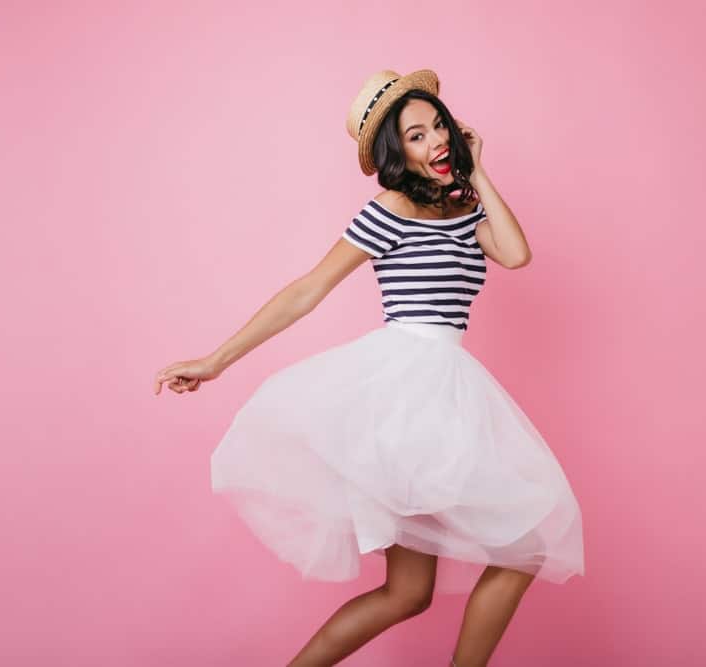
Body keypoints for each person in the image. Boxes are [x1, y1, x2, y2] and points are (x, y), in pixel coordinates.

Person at [154, 69, 585, 667]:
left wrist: (479, 170)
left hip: (448, 390)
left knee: (418, 590)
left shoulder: (465, 209)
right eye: (416, 135)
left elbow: (516, 253)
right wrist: (216, 360)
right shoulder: (389, 208)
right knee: (482, 562)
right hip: (406, 398)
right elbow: (308, 289)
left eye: (439, 126)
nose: (435, 141)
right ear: (395, 152)